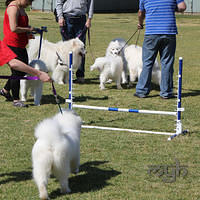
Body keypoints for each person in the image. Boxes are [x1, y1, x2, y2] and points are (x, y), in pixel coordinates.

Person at [0, 0, 50, 107]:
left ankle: (5, 90)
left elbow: (21, 26)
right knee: (17, 72)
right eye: (29, 1)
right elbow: (13, 28)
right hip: (12, 44)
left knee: (21, 71)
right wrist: (28, 29)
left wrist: (29, 33)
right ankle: (16, 100)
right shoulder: (13, 8)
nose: (30, 4)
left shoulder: (21, 8)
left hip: (21, 44)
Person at [134, 0, 186, 99]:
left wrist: (140, 23)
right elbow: (182, 7)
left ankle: (142, 91)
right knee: (167, 63)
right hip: (169, 32)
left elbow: (141, 12)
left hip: (151, 33)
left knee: (147, 63)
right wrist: (172, 7)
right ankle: (166, 92)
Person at [55, 0, 94, 83]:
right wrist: (60, 17)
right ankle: (68, 75)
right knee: (67, 50)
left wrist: (89, 18)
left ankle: (80, 75)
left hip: (81, 19)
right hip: (67, 18)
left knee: (80, 49)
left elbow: (91, 3)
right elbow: (59, 2)